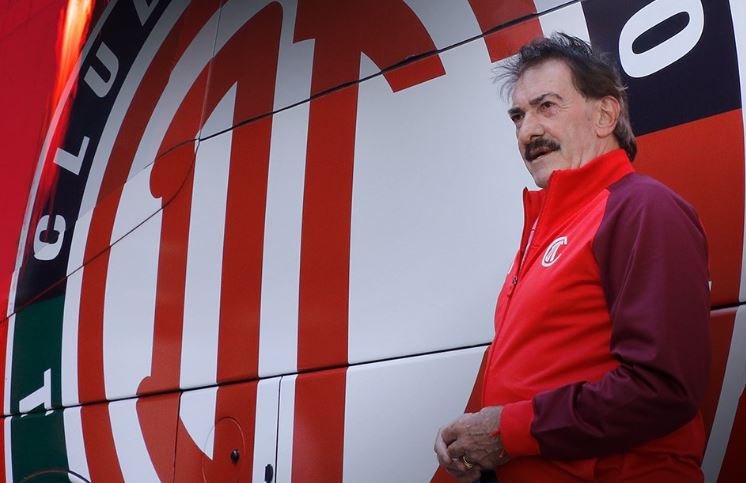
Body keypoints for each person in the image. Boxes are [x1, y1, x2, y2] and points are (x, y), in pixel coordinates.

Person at [434, 33, 711, 483]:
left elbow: (663, 386)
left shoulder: (642, 207)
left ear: (605, 115)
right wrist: (477, 444)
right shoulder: (548, 229)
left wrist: (507, 432)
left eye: (546, 106)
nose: (527, 131)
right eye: (518, 116)